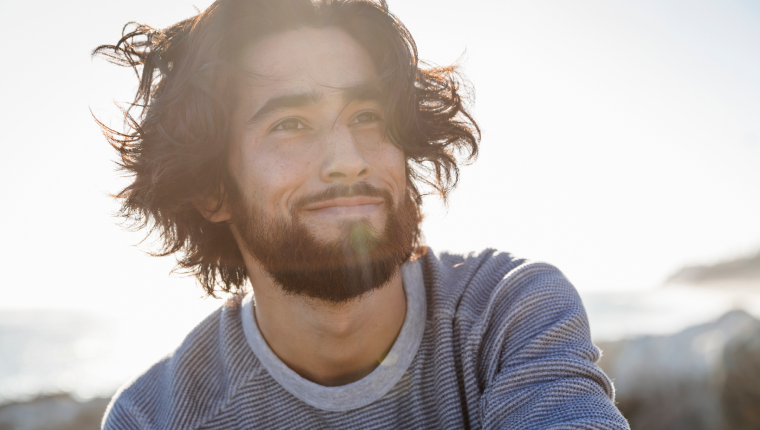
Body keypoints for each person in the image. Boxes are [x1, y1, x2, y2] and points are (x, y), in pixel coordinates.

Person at [94, 0, 629, 428]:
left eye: (367, 115)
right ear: (212, 189)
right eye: (290, 124)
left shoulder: (507, 314)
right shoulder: (153, 418)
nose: (347, 161)